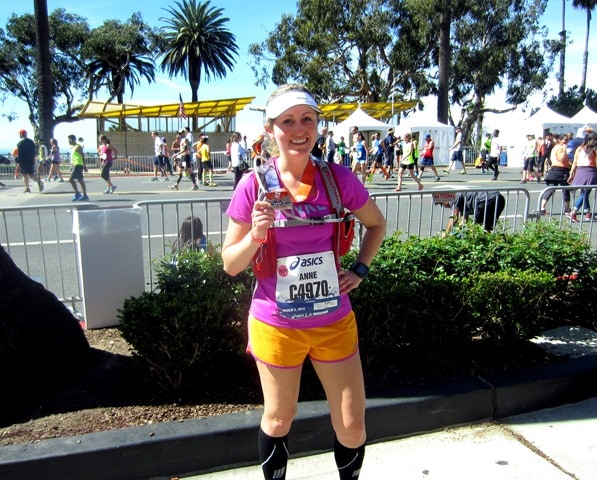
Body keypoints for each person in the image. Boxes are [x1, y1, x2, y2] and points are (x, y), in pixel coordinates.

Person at [222, 83, 386, 480]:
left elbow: (376, 224)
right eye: (288, 121)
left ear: (317, 125)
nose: (299, 130)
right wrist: (256, 236)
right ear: (270, 129)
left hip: (333, 319)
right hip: (276, 323)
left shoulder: (338, 179)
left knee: (352, 425)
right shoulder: (253, 185)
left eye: (307, 119)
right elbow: (230, 264)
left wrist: (359, 270)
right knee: (279, 418)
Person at [440, 191, 505, 234]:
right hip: (499, 198)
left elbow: (454, 217)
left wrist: (446, 233)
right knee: (487, 228)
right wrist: (458, 230)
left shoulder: (454, 198)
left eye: (441, 204)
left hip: (485, 200)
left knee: (478, 229)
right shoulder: (462, 198)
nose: (444, 206)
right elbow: (464, 220)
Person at [567, 130, 597, 223]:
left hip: (580, 170)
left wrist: (572, 174)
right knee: (585, 193)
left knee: (584, 192)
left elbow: (575, 162)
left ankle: (587, 212)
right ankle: (573, 212)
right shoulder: (595, 149)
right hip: (590, 171)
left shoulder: (580, 148)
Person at [539, 134, 571, 215]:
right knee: (564, 189)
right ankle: (567, 209)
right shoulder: (561, 148)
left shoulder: (555, 147)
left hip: (555, 169)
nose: (566, 141)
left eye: (567, 140)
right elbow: (561, 159)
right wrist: (564, 149)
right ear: (559, 140)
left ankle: (542, 207)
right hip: (560, 170)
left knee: (552, 188)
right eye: (565, 139)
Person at [15, 129, 44, 194]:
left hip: (23, 161)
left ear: (21, 135)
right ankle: (39, 181)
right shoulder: (31, 142)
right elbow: (34, 151)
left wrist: (18, 163)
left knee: (24, 175)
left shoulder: (20, 144)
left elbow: (20, 154)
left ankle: (27, 188)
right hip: (31, 160)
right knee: (31, 174)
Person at [67, 134, 88, 201]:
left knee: (71, 179)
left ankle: (78, 194)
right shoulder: (72, 147)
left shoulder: (78, 147)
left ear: (72, 140)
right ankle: (84, 195)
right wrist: (71, 166)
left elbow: (82, 155)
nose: (68, 141)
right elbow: (73, 158)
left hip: (78, 164)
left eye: (69, 140)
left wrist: (84, 166)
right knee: (80, 180)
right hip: (75, 164)